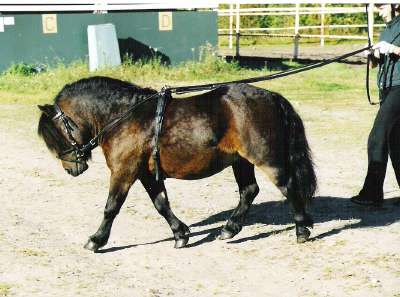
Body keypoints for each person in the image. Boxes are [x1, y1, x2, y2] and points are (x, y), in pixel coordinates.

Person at [351, 4, 400, 207]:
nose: (378, 9)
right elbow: (375, 65)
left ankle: (372, 193)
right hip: (386, 87)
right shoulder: (387, 29)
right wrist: (372, 55)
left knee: (377, 137)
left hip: (399, 87)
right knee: (395, 142)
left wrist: (393, 49)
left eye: (381, 5)